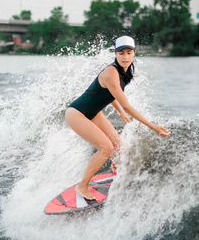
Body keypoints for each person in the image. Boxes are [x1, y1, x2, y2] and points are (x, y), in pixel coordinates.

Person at [65, 35, 171, 201]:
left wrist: (121, 112)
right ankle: (82, 186)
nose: (125, 57)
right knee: (106, 147)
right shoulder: (111, 72)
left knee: (118, 145)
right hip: (77, 113)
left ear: (134, 53)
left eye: (129, 52)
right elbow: (128, 105)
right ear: (115, 54)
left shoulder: (125, 71)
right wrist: (153, 126)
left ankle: (116, 174)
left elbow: (111, 93)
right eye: (121, 53)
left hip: (93, 112)